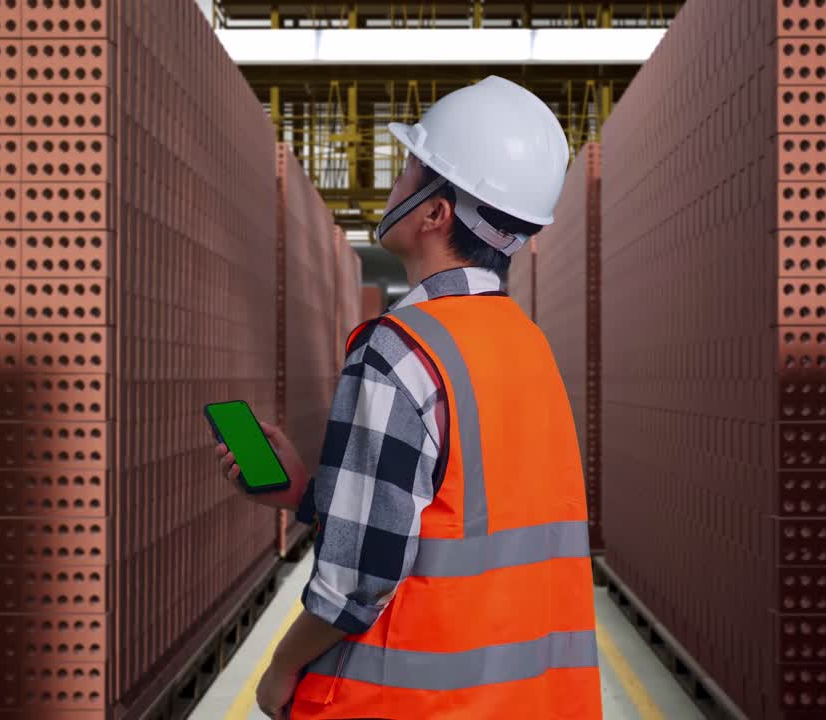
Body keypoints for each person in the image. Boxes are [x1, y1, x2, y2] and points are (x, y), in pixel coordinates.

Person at [216, 75, 601, 719]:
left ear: (434, 212)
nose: (393, 184)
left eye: (408, 170)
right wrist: (310, 493)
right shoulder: (528, 347)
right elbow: (465, 524)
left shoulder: (399, 349)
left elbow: (357, 581)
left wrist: (281, 668)